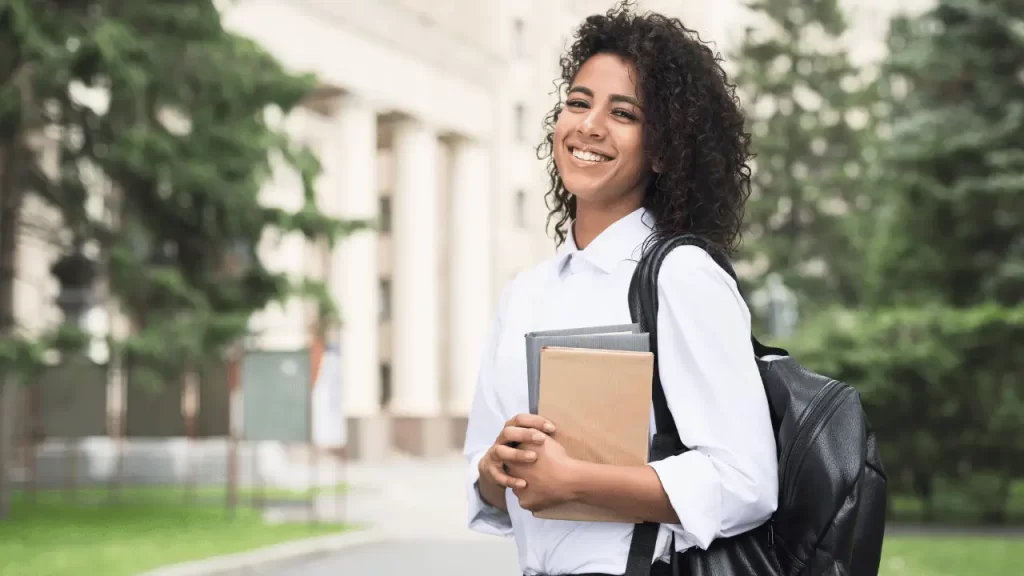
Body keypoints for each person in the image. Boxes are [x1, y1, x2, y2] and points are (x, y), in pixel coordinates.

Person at [463, 3, 778, 575]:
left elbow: (747, 481)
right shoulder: (525, 293)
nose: (589, 126)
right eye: (578, 103)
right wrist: (494, 472)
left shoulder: (681, 277)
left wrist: (577, 481)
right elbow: (485, 481)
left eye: (623, 113)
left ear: (662, 150)